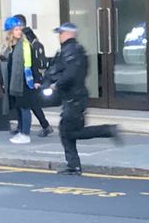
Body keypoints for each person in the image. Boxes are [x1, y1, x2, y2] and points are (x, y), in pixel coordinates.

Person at [44, 22, 122, 175]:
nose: (59, 36)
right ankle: (74, 165)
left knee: (71, 132)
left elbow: (71, 74)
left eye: (61, 33)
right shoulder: (69, 50)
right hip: (73, 96)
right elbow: (56, 69)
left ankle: (107, 130)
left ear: (68, 33)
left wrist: (56, 85)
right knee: (68, 130)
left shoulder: (71, 51)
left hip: (74, 97)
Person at [0, 17, 42, 144]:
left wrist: (37, 79)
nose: (19, 32)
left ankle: (25, 134)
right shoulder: (9, 47)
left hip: (24, 81)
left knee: (24, 107)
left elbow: (33, 63)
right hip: (13, 82)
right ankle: (21, 131)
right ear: (10, 32)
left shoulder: (24, 45)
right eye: (16, 29)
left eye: (19, 29)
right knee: (18, 108)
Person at [12, 14, 53, 137]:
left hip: (29, 77)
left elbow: (33, 61)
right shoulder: (27, 36)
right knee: (26, 104)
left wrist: (37, 79)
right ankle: (24, 127)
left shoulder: (26, 38)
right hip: (27, 77)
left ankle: (42, 126)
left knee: (31, 104)